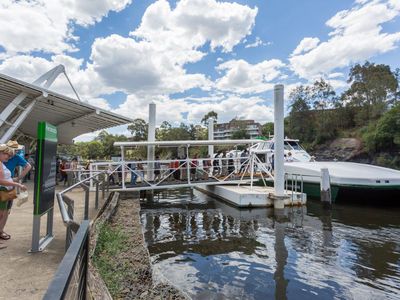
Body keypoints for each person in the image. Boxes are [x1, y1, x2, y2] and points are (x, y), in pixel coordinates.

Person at [2, 141, 31, 241]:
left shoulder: (17, 157)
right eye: (9, 150)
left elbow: (28, 166)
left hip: (9, 186)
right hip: (4, 185)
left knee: (6, 210)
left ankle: (1, 230)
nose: (11, 152)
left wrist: (18, 178)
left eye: (15, 150)